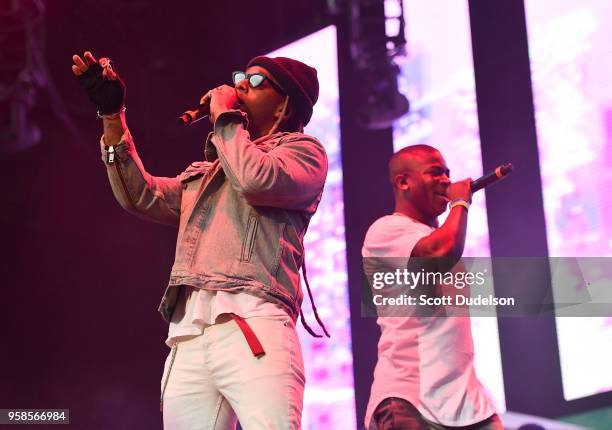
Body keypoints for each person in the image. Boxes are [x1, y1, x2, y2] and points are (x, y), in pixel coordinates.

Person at [71, 50, 329, 430]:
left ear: (285, 104)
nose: (240, 84)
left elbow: (256, 179)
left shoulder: (303, 153)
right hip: (189, 333)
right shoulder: (210, 174)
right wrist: (113, 117)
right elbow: (140, 195)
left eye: (256, 81)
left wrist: (225, 116)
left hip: (253, 320)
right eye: (241, 75)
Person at [362, 145, 502, 430]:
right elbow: (440, 253)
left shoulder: (438, 237)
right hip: (410, 398)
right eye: (435, 173)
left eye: (448, 174)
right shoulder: (386, 230)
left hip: (467, 402)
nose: (447, 181)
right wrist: (460, 204)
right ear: (403, 182)